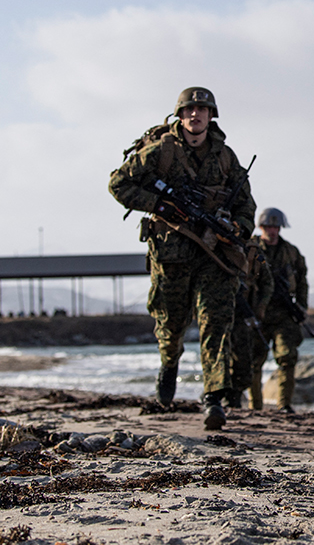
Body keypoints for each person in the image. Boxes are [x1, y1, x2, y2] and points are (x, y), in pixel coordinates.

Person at [109, 87, 257, 431]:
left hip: (214, 253)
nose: (195, 115)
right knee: (171, 323)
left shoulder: (225, 156)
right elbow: (118, 184)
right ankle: (169, 364)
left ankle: (213, 398)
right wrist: (158, 205)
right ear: (180, 115)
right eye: (190, 109)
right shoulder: (160, 152)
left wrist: (238, 226)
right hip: (171, 253)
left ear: (211, 116)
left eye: (202, 110)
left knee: (215, 323)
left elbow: (246, 204)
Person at [250, 207, 308, 413]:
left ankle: (284, 405)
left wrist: (302, 306)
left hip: (284, 313)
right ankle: (255, 406)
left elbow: (302, 281)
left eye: (275, 227)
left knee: (287, 357)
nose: (272, 231)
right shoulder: (252, 248)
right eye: (268, 227)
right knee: (254, 360)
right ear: (261, 227)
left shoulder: (291, 252)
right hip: (258, 312)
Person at [226, 236, 273, 409]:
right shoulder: (211, 242)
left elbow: (267, 282)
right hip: (220, 309)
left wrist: (260, 307)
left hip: (243, 313)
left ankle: (235, 397)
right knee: (219, 354)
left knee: (245, 360)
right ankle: (215, 394)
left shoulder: (252, 251)